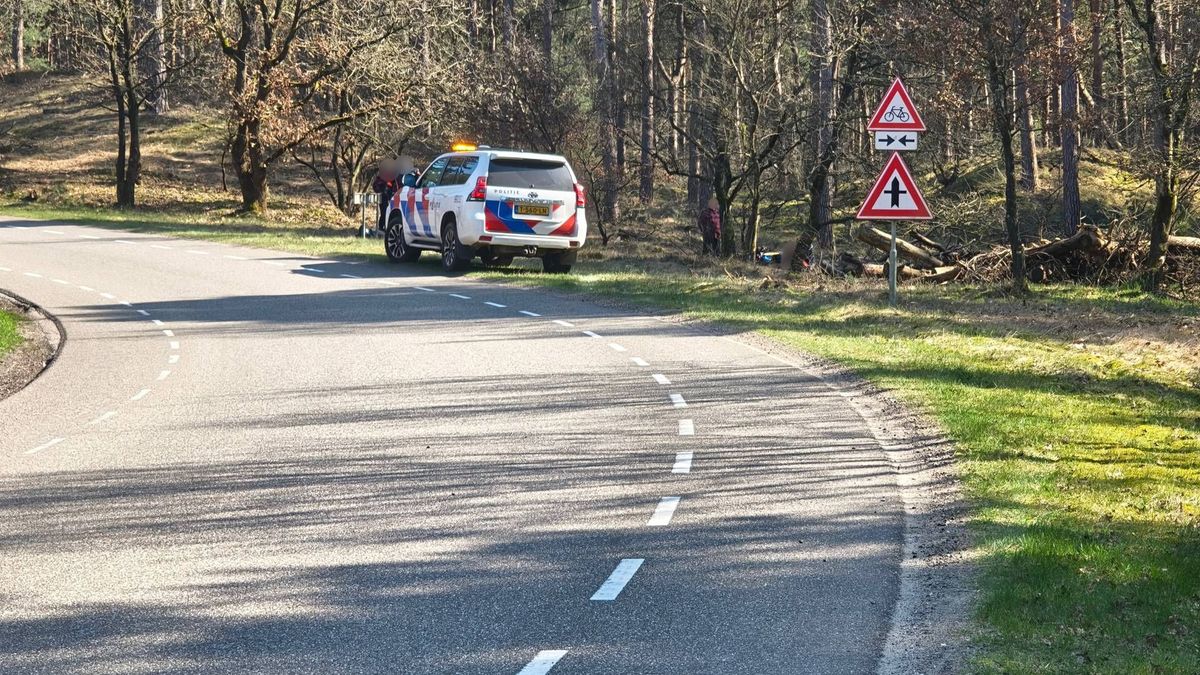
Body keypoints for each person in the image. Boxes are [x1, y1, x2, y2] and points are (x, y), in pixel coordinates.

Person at [372, 158, 399, 231]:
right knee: (383, 212)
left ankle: (387, 227)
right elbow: (375, 186)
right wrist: (380, 191)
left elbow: (396, 187)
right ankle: (381, 227)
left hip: (390, 197)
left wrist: (394, 194)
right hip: (383, 197)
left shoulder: (394, 178)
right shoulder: (381, 177)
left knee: (390, 213)